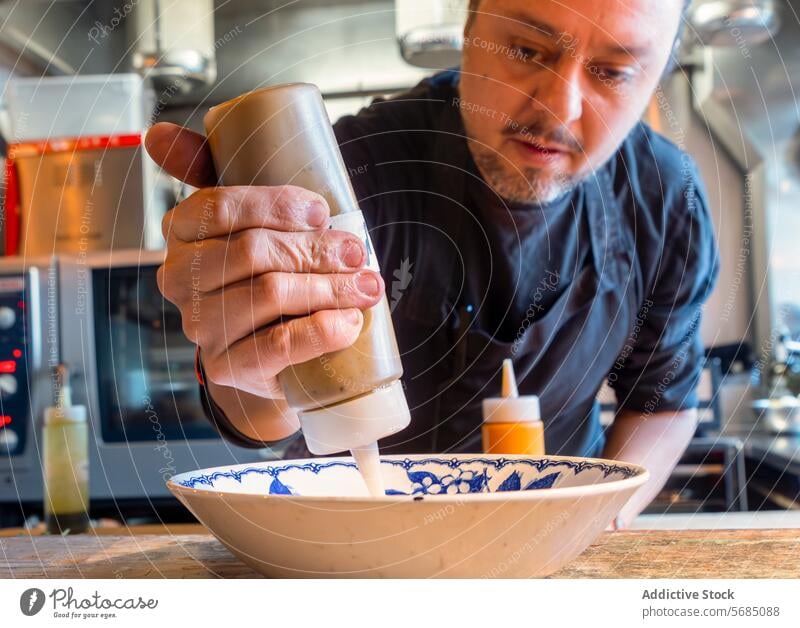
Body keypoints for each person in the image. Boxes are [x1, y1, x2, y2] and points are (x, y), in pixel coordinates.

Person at [145, 0, 718, 526]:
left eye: (613, 72)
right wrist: (260, 374)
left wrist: (594, 522)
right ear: (470, 28)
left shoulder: (667, 202)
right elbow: (252, 414)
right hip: (349, 538)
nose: (558, 109)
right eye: (526, 51)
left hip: (545, 542)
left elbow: (663, 404)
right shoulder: (347, 169)